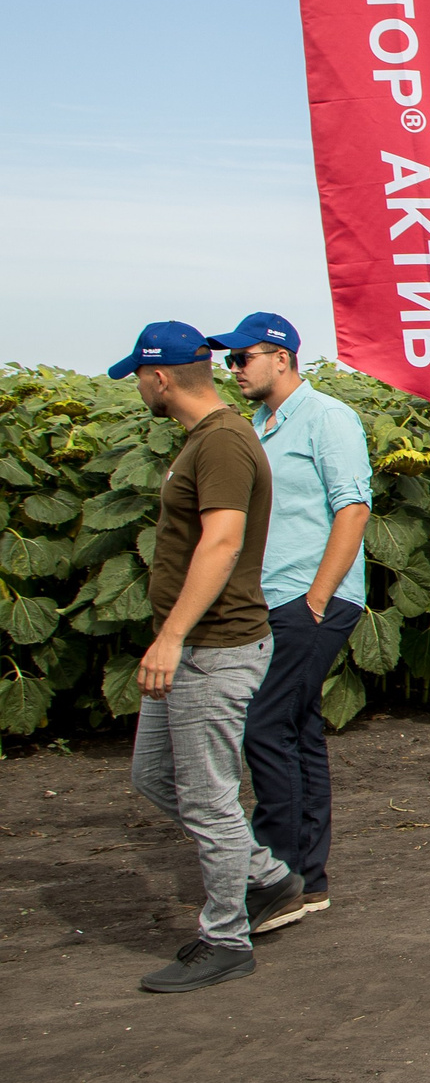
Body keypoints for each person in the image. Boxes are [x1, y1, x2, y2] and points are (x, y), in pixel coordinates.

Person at [110, 322, 301, 993]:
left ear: (160, 377)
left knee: (209, 796)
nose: (137, 386)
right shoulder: (207, 438)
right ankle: (269, 877)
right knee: (154, 775)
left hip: (213, 646)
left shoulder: (221, 441)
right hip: (191, 643)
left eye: (138, 375)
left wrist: (171, 634)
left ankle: (226, 937)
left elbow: (221, 543)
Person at [203, 314, 370, 927]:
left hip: (310, 599)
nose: (235, 369)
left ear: (281, 357)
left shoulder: (328, 418)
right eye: (230, 361)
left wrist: (317, 599)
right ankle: (308, 878)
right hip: (272, 599)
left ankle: (277, 878)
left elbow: (352, 508)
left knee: (263, 725)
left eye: (243, 357)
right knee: (296, 731)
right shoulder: (258, 427)